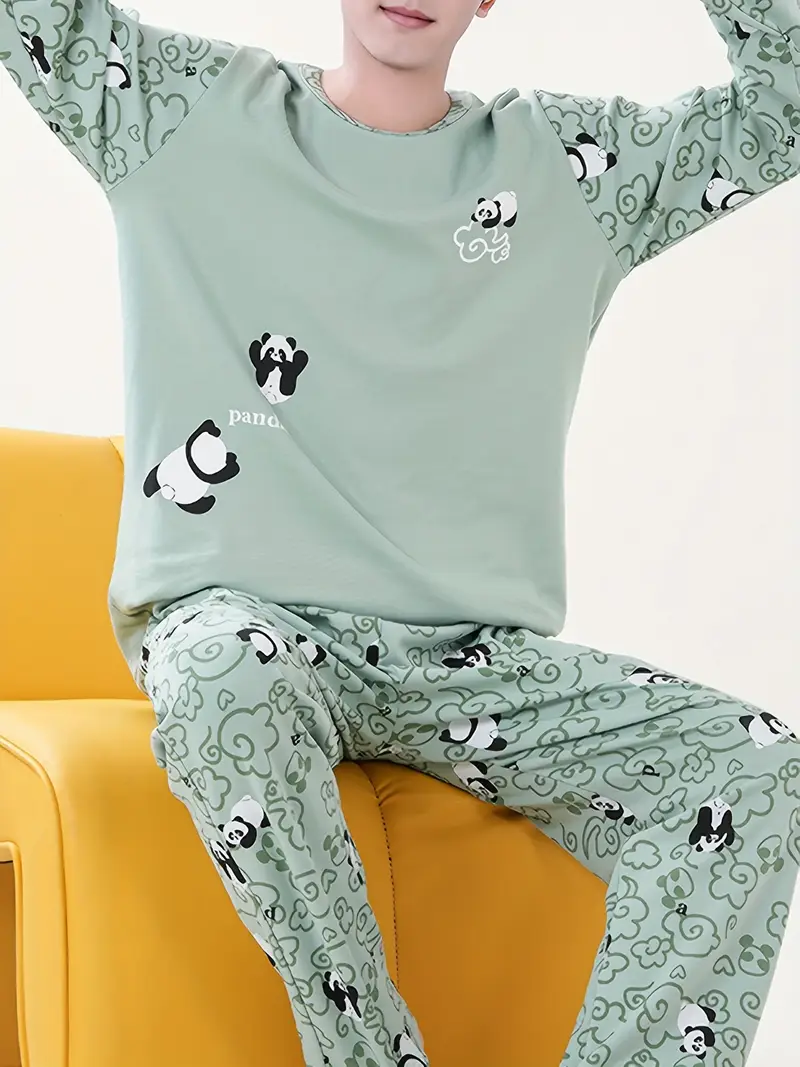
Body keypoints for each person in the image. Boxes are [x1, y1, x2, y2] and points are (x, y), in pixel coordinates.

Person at [2, 2, 799, 1064]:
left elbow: (784, 99)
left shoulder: (572, 170)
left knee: (750, 762)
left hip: (475, 664)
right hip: (248, 628)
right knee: (222, 674)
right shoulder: (181, 111)